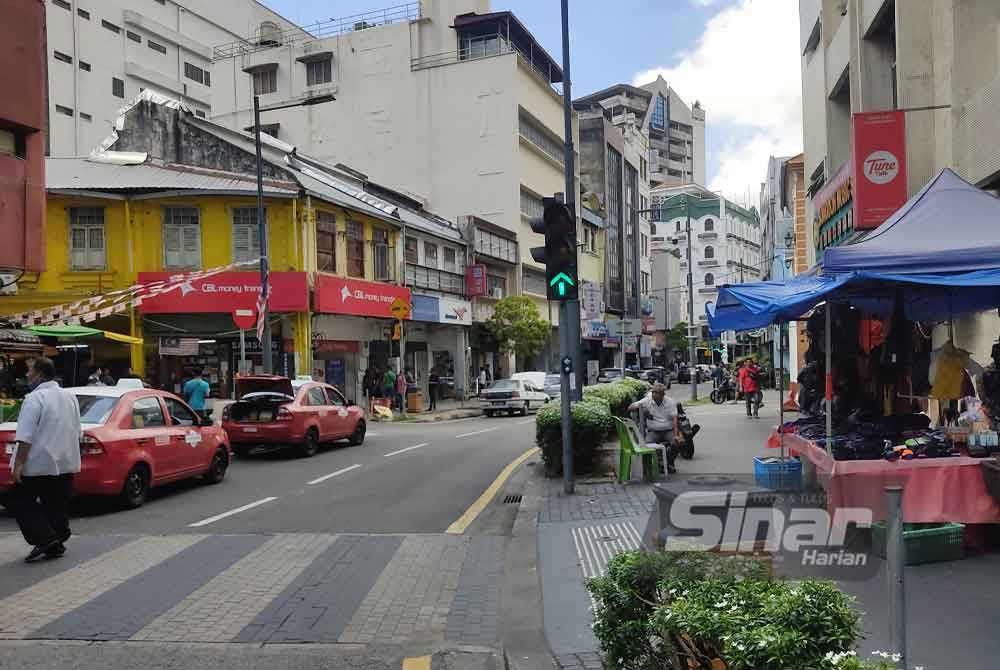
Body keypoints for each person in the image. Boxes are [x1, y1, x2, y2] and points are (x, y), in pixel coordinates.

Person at [8, 357, 82, 563]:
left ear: (39, 374)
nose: (26, 374)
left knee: (17, 500)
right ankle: (56, 540)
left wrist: (19, 465)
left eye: (29, 371)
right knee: (55, 502)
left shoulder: (34, 398)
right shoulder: (70, 397)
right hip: (65, 462)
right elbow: (77, 431)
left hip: (39, 463)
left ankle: (46, 539)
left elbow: (25, 436)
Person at [627, 383, 679, 475]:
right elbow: (630, 407)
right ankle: (658, 463)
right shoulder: (648, 400)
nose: (654, 394)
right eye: (653, 392)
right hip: (654, 431)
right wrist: (642, 409)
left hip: (668, 430)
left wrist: (676, 435)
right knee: (647, 444)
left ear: (663, 394)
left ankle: (668, 462)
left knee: (676, 443)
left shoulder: (670, 402)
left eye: (657, 393)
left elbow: (675, 420)